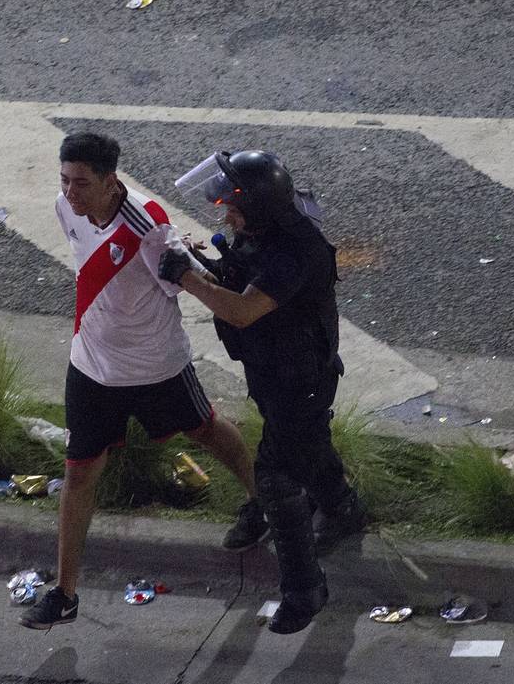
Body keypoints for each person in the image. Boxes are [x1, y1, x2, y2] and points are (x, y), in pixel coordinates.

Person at [19, 132, 264, 631]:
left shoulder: (150, 227)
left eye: (81, 183)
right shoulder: (66, 209)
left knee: (207, 430)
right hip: (91, 367)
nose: (70, 194)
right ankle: (65, 594)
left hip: (157, 368)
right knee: (80, 471)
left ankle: (265, 502)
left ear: (112, 182)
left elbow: (202, 285)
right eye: (64, 180)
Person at [157, 150, 368, 635]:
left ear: (260, 205)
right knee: (309, 444)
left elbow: (243, 311)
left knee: (275, 478)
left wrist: (187, 279)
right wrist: (201, 266)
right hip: (275, 374)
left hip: (302, 381)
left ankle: (304, 590)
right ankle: (342, 508)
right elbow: (238, 283)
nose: (224, 214)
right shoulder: (258, 233)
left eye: (232, 206)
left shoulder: (296, 249)